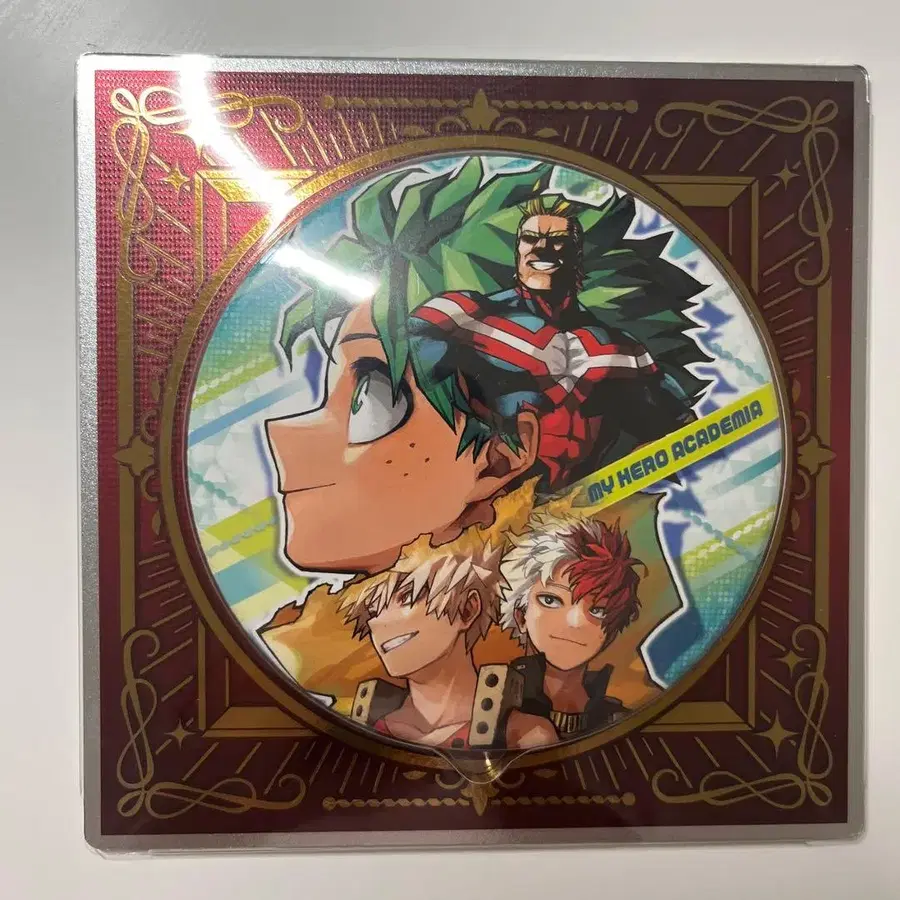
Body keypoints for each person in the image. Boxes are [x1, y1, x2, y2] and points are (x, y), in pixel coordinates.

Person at [265, 158, 706, 578]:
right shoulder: (467, 317)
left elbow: (673, 427)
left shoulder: (616, 352)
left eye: (557, 242)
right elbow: (415, 348)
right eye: (530, 239)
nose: (541, 250)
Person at [340, 537, 558, 749]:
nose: (378, 622)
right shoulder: (368, 729)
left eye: (407, 597)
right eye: (373, 611)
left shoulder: (524, 735)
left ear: (467, 610)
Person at [499, 512, 644, 738]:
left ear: (611, 630)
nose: (576, 622)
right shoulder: (491, 705)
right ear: (521, 615)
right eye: (550, 600)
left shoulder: (616, 717)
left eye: (598, 610)